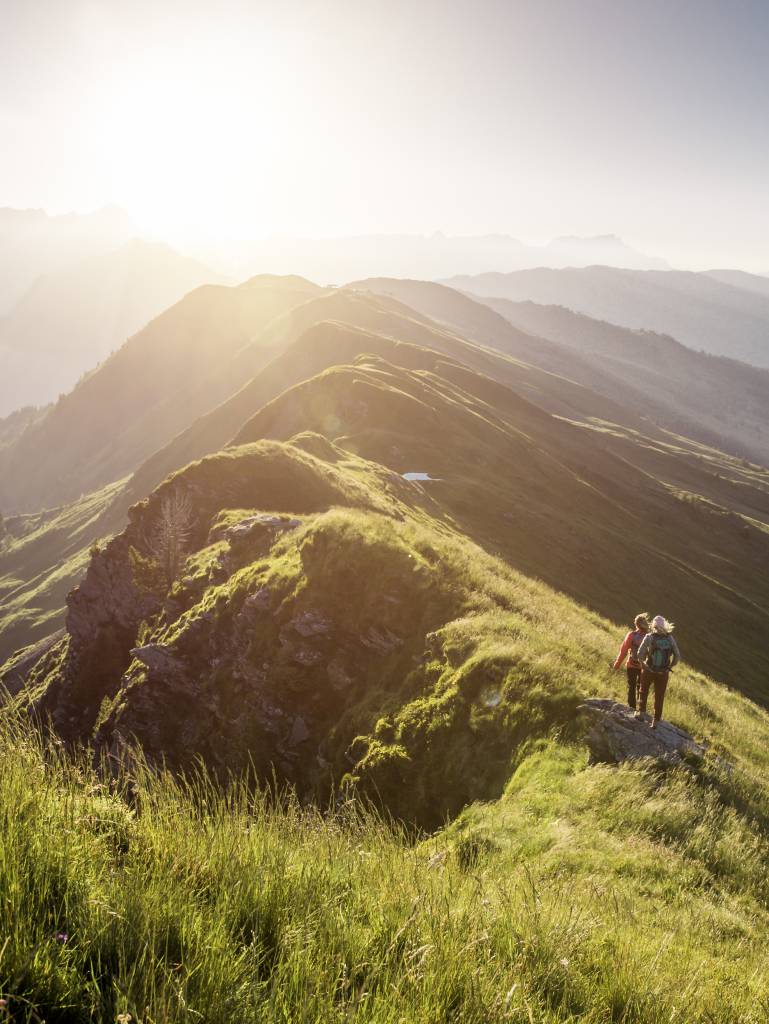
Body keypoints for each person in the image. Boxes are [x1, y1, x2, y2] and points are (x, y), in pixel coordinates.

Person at [636, 615, 680, 728]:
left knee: (643, 691)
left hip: (649, 670)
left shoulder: (649, 637)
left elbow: (640, 653)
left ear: (653, 625)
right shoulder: (670, 638)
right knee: (659, 696)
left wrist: (643, 664)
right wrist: (669, 666)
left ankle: (641, 713)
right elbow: (677, 656)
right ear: (665, 625)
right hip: (663, 672)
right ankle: (655, 720)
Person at [613, 613, 650, 710]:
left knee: (631, 687)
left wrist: (617, 664)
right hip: (643, 667)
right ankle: (641, 709)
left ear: (636, 624)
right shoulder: (649, 637)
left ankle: (631, 708)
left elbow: (623, 651)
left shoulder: (631, 635)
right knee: (641, 689)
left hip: (631, 665)